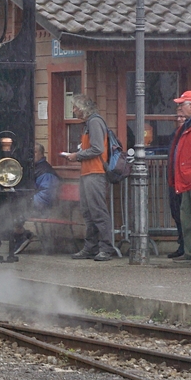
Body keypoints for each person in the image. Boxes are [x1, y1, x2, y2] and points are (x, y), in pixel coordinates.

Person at [62, 95, 115, 261]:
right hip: (88, 172)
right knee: (88, 212)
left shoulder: (94, 122)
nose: (73, 110)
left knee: (97, 211)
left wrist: (77, 155)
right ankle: (91, 247)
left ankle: (106, 248)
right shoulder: (89, 123)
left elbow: (98, 148)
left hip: (95, 172)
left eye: (75, 107)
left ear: (83, 108)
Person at [168, 90, 191, 266]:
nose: (180, 108)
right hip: (188, 177)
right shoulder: (190, 124)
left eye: (182, 104)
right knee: (187, 216)